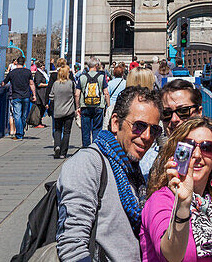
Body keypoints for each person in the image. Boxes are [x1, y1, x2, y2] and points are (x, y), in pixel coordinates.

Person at [57, 84, 163, 262]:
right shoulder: (88, 163)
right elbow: (72, 246)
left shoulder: (132, 169)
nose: (146, 136)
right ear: (115, 123)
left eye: (154, 130)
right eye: (139, 126)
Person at [141, 116, 212, 262]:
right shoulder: (162, 200)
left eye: (207, 148)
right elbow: (171, 255)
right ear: (176, 153)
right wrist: (183, 204)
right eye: (189, 146)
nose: (197, 155)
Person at [142, 78, 203, 178]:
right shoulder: (148, 162)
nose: (174, 119)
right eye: (166, 113)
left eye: (183, 111)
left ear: (199, 112)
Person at [48, 61, 79, 159]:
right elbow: (75, 95)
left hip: (58, 111)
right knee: (66, 132)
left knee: (57, 130)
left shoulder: (55, 84)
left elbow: (51, 96)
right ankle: (63, 152)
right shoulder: (71, 84)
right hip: (69, 111)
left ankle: (57, 145)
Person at [78, 58, 111, 148]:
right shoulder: (101, 77)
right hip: (98, 106)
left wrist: (77, 106)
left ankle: (86, 149)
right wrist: (108, 106)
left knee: (85, 130)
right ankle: (95, 148)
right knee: (97, 129)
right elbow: (106, 92)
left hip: (85, 106)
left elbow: (77, 94)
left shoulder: (82, 77)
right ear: (96, 66)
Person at [5, 56, 35, 139]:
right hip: (26, 96)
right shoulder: (28, 72)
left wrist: (1, 84)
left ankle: (19, 134)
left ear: (17, 62)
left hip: (16, 96)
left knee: (17, 115)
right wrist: (34, 94)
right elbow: (31, 84)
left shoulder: (12, 73)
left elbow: (4, 82)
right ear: (24, 63)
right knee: (24, 115)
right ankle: (21, 131)